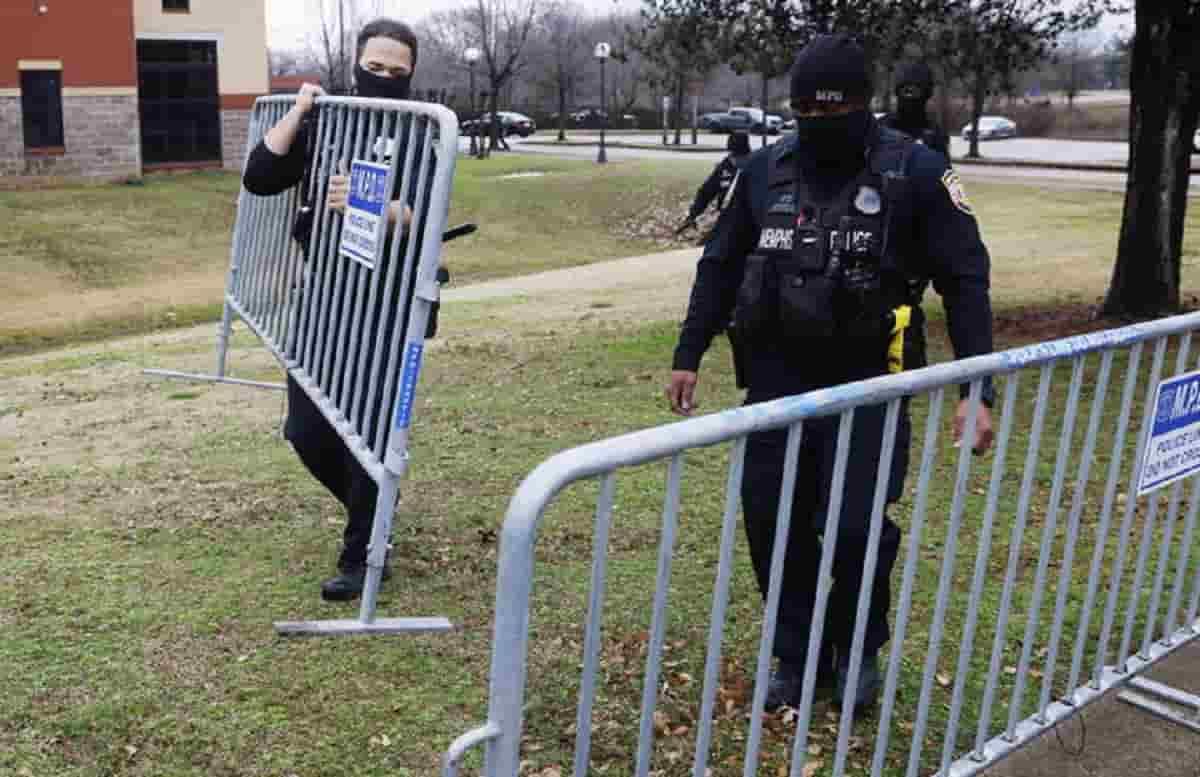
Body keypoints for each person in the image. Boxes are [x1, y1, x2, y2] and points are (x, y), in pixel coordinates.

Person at [664, 34, 995, 714]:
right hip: (778, 381)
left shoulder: (918, 172)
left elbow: (965, 281)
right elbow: (720, 265)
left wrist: (977, 388)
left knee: (854, 526)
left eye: (833, 108)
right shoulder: (765, 171)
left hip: (873, 380)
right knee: (771, 520)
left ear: (862, 104)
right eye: (806, 110)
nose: (819, 122)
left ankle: (858, 650)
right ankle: (797, 654)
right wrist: (688, 351)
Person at [242, 18, 421, 602]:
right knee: (306, 430)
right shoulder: (328, 120)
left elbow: (424, 211)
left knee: (366, 434)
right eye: (375, 69)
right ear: (355, 63)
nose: (386, 79)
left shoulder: (423, 129)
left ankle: (361, 554)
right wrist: (299, 112)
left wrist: (379, 208)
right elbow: (261, 177)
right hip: (322, 295)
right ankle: (378, 522)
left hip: (384, 303)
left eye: (398, 72)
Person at [677, 132, 752, 235]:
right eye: (732, 155)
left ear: (747, 154)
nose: (734, 160)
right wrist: (692, 215)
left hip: (748, 219)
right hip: (726, 218)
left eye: (739, 156)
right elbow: (706, 192)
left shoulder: (754, 167)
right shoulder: (724, 166)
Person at [879, 62, 951, 159]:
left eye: (914, 92)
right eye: (905, 91)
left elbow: (945, 171)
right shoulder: (880, 128)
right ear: (897, 92)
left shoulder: (935, 134)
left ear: (926, 95)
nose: (909, 96)